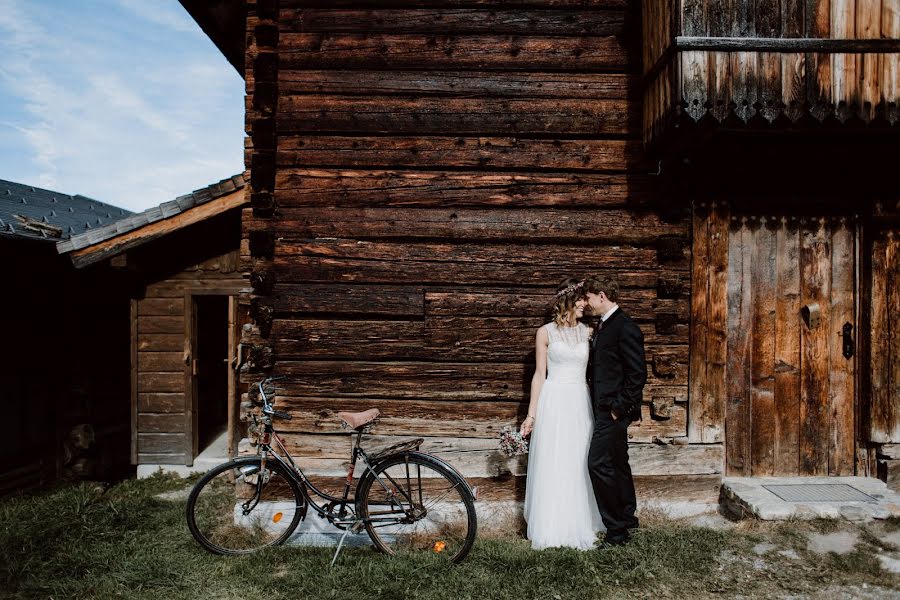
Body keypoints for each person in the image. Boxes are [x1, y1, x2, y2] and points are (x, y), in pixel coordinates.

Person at [519, 277, 603, 550]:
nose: (585, 305)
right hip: (554, 400)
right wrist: (531, 416)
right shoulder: (545, 333)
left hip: (579, 400)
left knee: (579, 459)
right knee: (554, 459)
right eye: (581, 300)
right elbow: (539, 376)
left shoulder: (589, 332)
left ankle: (580, 521)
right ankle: (551, 524)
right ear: (568, 301)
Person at [584, 274, 647, 546]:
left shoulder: (625, 327)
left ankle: (616, 532)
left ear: (602, 295)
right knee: (619, 463)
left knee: (598, 464)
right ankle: (627, 518)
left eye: (588, 298)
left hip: (613, 411)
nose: (586, 304)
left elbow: (637, 374)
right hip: (604, 408)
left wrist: (618, 409)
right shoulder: (604, 326)